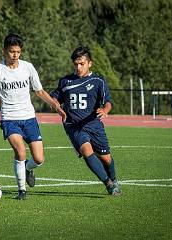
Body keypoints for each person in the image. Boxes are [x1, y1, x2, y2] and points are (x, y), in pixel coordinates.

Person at [0, 33, 66, 200]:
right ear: (4, 51)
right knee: (20, 152)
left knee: (39, 158)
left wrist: (55, 106)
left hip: (29, 117)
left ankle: (28, 168)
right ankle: (22, 190)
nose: (15, 55)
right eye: (12, 51)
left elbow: (39, 91)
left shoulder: (28, 67)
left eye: (18, 52)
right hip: (9, 118)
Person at [50, 46, 122, 196]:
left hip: (94, 124)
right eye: (76, 64)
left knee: (106, 158)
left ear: (90, 63)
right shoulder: (65, 81)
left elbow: (108, 102)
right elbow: (55, 97)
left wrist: (105, 110)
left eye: (81, 63)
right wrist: (56, 105)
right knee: (86, 150)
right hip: (73, 126)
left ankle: (113, 179)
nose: (78, 67)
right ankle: (108, 184)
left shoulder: (98, 81)